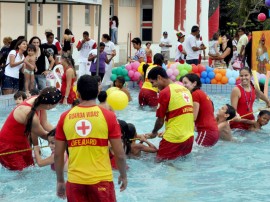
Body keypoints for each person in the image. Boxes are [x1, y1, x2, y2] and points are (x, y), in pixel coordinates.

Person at [55, 75, 127, 201]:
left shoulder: (65, 117)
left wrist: (60, 180)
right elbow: (119, 154)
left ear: (77, 94)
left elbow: (58, 155)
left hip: (75, 182)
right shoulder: (108, 116)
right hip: (101, 181)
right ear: (98, 91)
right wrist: (123, 175)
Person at [0, 87, 62, 171]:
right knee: (21, 175)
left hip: (22, 142)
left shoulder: (39, 100)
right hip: (7, 146)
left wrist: (60, 132)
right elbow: (44, 135)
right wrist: (63, 140)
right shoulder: (29, 113)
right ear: (49, 105)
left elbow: (45, 124)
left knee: (30, 168)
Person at [146, 67, 194, 161]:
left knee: (159, 163)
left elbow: (160, 121)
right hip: (189, 138)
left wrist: (154, 132)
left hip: (174, 139)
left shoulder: (165, 92)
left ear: (159, 77)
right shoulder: (185, 90)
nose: (153, 86)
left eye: (153, 82)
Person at [182, 73, 219, 147]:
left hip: (207, 132)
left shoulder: (195, 94)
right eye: (183, 83)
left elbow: (193, 117)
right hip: (213, 131)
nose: (184, 86)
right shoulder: (202, 93)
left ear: (194, 83)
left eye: (186, 83)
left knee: (195, 154)